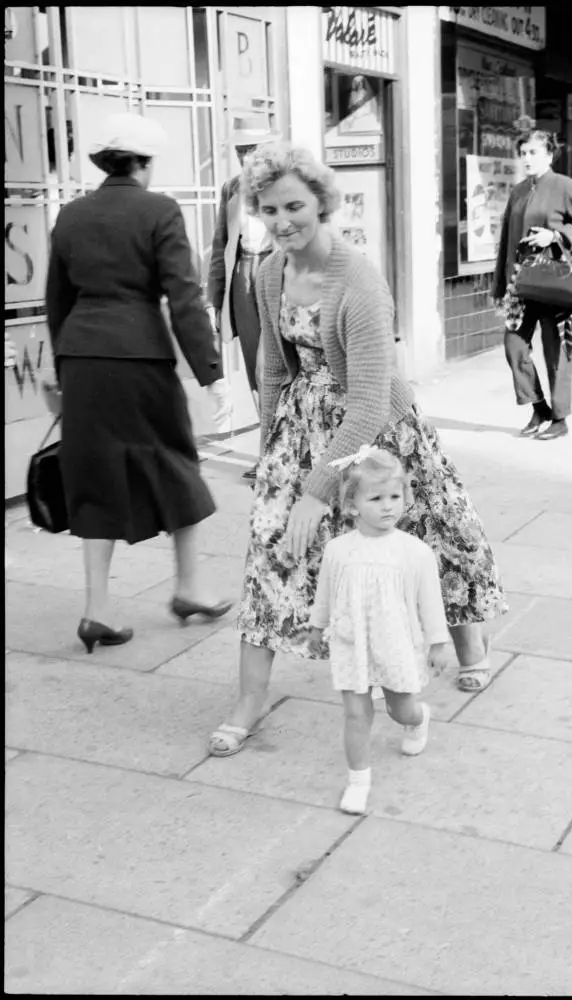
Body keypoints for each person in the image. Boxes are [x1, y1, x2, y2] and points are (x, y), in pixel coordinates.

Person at [208, 142, 507, 758]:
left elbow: (369, 401)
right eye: (268, 210)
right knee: (271, 554)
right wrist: (273, 457)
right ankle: (248, 701)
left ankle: (469, 640)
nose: (282, 221)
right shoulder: (270, 272)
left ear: (321, 202)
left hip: (375, 429)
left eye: (294, 206)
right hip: (300, 430)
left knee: (429, 534)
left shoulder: (361, 281)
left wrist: (317, 494)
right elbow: (272, 366)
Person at [44, 112, 234, 654]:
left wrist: (64, 372)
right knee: (175, 461)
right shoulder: (159, 210)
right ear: (144, 163)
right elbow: (184, 297)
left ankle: (97, 609)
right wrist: (211, 374)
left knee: (95, 473)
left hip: (82, 359)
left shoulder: (71, 215)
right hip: (140, 358)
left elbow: (58, 301)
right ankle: (189, 587)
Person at [308, 446, 450, 815]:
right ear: (352, 505)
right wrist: (316, 626)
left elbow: (430, 602)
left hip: (397, 643)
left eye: (395, 496)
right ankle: (358, 781)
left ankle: (418, 718)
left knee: (399, 708)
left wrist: (438, 641)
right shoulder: (338, 550)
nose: (388, 506)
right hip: (351, 642)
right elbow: (326, 591)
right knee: (357, 713)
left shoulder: (415, 552)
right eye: (376, 498)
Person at [494, 127, 572, 441]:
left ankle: (560, 418)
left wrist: (555, 236)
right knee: (514, 346)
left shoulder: (565, 187)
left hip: (555, 283)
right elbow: (506, 242)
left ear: (549, 155)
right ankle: (539, 407)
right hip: (521, 285)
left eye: (533, 152)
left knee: (557, 351)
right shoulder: (519, 191)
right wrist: (500, 286)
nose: (527, 158)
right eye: (523, 153)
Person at [207, 113, 281, 482]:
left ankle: (282, 452)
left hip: (276, 274)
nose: (245, 156)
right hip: (242, 279)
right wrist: (213, 299)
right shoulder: (232, 188)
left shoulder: (285, 185)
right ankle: (269, 454)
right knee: (255, 369)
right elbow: (221, 244)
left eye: (251, 149)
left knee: (272, 367)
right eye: (240, 149)